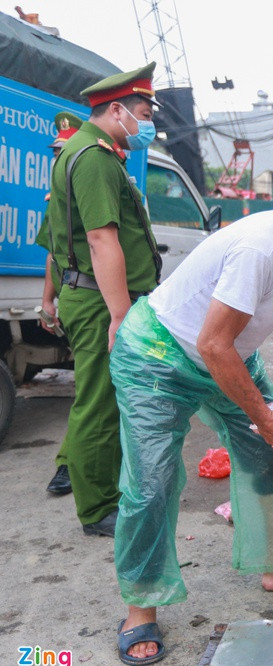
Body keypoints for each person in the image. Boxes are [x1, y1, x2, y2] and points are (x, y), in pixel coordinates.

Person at [109, 161, 273, 666]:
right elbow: (213, 344)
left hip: (227, 353)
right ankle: (140, 604)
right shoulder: (259, 246)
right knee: (153, 480)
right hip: (158, 356)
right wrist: (263, 413)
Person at [35, 64, 162, 531]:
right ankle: (97, 510)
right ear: (116, 110)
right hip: (96, 302)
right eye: (144, 113)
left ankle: (107, 492)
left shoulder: (101, 154)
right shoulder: (90, 157)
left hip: (97, 299)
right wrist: (120, 315)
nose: (148, 124)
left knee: (110, 399)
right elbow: (101, 241)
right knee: (98, 402)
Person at [40, 111, 82, 497]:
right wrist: (46, 300)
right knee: (92, 391)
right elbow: (53, 255)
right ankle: (69, 467)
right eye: (56, 151)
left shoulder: (85, 183)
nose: (59, 158)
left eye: (64, 150)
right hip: (87, 301)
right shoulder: (58, 200)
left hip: (103, 302)